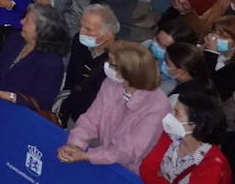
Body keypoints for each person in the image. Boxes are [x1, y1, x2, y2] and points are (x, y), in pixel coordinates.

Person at [58, 40, 170, 172]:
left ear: (128, 71)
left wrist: (88, 156)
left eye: (111, 64)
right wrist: (76, 144)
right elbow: (91, 119)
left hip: (131, 169)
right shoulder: (111, 84)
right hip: (104, 156)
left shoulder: (157, 105)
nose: (107, 66)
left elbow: (130, 150)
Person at [139, 92, 234, 184]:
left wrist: (158, 181)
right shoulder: (171, 135)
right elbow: (145, 168)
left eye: (176, 113)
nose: (170, 116)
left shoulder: (212, 163)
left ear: (194, 124)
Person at [0, 2, 71, 114]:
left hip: (21, 114)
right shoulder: (15, 39)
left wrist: (3, 95)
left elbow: (42, 104)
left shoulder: (52, 63)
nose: (21, 21)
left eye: (27, 20)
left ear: (41, 30)